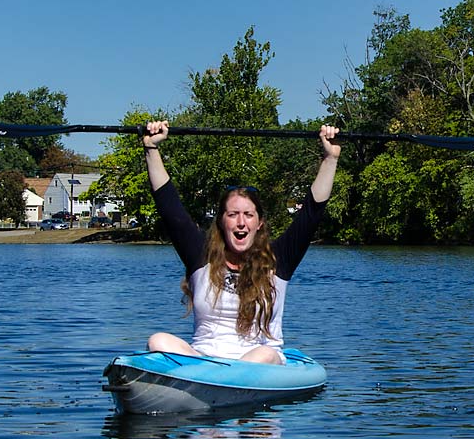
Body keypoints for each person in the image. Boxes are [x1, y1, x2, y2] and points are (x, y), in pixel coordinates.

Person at [141, 120, 341, 364]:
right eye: (233, 215)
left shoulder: (277, 261)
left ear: (259, 223)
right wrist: (151, 149)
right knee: (158, 341)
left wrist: (330, 159)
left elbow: (311, 213)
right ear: (222, 222)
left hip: (259, 362)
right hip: (204, 362)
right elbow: (170, 208)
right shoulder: (201, 257)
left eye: (248, 215)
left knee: (264, 354)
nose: (241, 223)